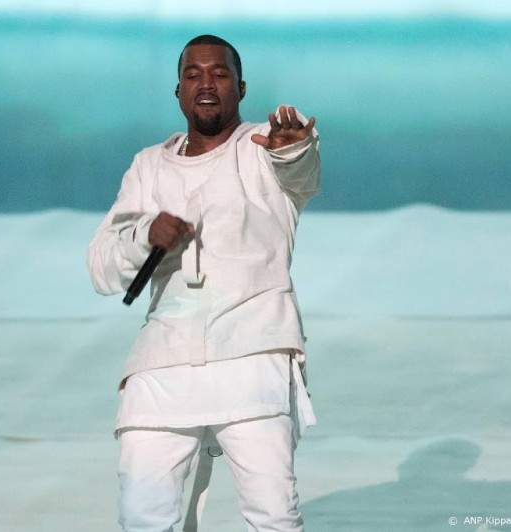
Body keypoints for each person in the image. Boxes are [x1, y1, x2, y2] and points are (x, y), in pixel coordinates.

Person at [87, 34, 321, 532]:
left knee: (273, 515)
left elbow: (300, 172)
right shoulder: (149, 166)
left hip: (253, 351)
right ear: (178, 90)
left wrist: (294, 151)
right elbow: (102, 269)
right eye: (193, 74)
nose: (206, 83)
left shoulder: (264, 146)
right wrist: (144, 235)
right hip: (164, 358)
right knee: (141, 515)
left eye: (219, 73)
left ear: (241, 87)